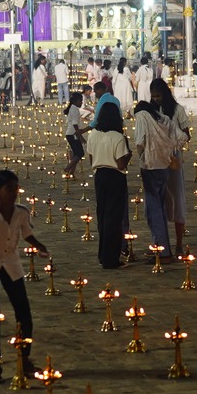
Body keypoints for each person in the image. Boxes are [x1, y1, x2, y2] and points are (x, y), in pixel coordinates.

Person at [0, 169, 51, 385]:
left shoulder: (21, 212)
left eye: (16, 188)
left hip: (11, 265)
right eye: (9, 189)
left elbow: (26, 233)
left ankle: (24, 358)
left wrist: (38, 245)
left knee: (24, 312)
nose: (14, 193)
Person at [131, 85, 184, 257]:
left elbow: (140, 142)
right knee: (159, 207)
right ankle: (162, 246)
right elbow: (182, 137)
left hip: (150, 166)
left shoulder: (141, 117)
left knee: (153, 210)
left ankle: (162, 251)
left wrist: (142, 155)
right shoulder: (162, 118)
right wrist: (168, 151)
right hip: (164, 165)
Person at [87, 100, 133, 269]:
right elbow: (121, 164)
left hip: (100, 176)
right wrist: (129, 155)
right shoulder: (118, 137)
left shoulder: (93, 134)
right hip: (115, 177)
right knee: (114, 218)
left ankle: (103, 254)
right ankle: (111, 259)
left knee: (103, 216)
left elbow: (91, 158)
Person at [62, 91, 88, 176]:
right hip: (73, 134)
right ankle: (67, 168)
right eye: (80, 101)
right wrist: (80, 137)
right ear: (75, 101)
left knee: (75, 153)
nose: (81, 103)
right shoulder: (75, 110)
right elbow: (74, 124)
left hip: (70, 133)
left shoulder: (72, 108)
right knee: (80, 153)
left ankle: (71, 172)